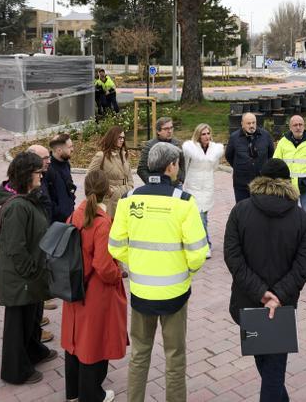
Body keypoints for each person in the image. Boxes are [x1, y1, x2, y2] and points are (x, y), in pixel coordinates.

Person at [109, 142, 208, 402]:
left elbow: (115, 246)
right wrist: (184, 271)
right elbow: (198, 253)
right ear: (171, 166)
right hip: (175, 293)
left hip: (141, 293)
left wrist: (138, 265)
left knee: (140, 354)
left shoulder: (129, 199)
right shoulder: (185, 202)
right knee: (175, 356)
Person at [224, 159, 306, 401]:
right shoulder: (301, 218)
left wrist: (261, 293)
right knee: (272, 371)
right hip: (281, 308)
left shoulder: (240, 211)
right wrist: (277, 296)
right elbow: (304, 264)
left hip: (249, 301)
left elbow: (233, 258)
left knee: (269, 370)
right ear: (288, 182)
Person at [62, 169, 127, 402]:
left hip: (73, 286)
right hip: (95, 290)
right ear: (107, 191)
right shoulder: (102, 223)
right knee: (93, 342)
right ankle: (92, 395)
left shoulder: (74, 215)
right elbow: (103, 264)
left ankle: (73, 392)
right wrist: (117, 274)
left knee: (74, 340)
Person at [0, 151, 56, 385]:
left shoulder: (29, 198)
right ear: (26, 175)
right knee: (17, 325)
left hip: (30, 274)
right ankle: (15, 370)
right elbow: (15, 247)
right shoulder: (17, 207)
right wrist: (31, 270)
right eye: (38, 172)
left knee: (31, 319)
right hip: (21, 277)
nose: (42, 176)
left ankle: (34, 351)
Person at [273, 115, 306, 267]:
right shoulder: (283, 143)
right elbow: (276, 162)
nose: (298, 127)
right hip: (288, 189)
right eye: (295, 124)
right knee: (288, 221)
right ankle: (291, 254)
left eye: (300, 124)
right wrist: (281, 182)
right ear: (290, 127)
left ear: (304, 125)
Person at [25, 144, 58, 338]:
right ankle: (35, 328)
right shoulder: (27, 189)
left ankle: (38, 317)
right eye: (45, 158)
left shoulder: (43, 177)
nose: (49, 161)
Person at [182, 123, 224, 259]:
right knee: (198, 217)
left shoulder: (215, 149)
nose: (206, 136)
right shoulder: (191, 147)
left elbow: (214, 166)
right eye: (203, 134)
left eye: (208, 133)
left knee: (203, 217)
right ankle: (205, 244)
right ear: (198, 135)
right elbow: (187, 163)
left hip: (207, 187)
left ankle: (205, 244)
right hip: (193, 186)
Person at [225, 112, 275, 203]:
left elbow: (271, 154)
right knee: (243, 210)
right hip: (241, 183)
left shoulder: (265, 135)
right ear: (242, 124)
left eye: (253, 123)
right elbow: (229, 155)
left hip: (261, 182)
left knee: (261, 209)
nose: (251, 125)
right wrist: (240, 167)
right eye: (248, 123)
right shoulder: (234, 137)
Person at [87, 126, 134, 218]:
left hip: (125, 197)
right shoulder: (101, 156)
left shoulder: (124, 155)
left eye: (123, 138)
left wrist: (130, 187)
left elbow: (129, 176)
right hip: (110, 201)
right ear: (112, 138)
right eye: (119, 138)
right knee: (108, 228)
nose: (122, 140)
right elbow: (90, 177)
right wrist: (108, 190)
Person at [136, 116, 185, 185]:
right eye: (166, 129)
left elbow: (183, 165)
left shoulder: (178, 144)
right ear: (158, 131)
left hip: (175, 186)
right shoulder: (150, 146)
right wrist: (152, 183)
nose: (170, 131)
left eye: (171, 128)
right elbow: (141, 169)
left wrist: (180, 179)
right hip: (156, 186)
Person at [44, 133, 77, 224]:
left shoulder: (66, 164)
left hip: (69, 218)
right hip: (55, 223)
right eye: (69, 147)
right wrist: (59, 211)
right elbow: (46, 199)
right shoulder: (47, 169)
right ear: (59, 150)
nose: (72, 149)